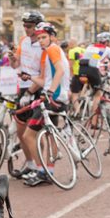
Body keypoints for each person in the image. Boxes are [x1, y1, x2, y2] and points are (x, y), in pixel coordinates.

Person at [22, 22, 71, 186]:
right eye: (39, 37)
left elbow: (60, 71)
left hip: (53, 98)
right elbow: (44, 80)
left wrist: (50, 92)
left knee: (28, 135)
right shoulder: (52, 51)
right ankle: (49, 171)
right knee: (50, 136)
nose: (41, 40)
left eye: (44, 37)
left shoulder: (52, 49)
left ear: (52, 37)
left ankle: (40, 170)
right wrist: (29, 78)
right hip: (59, 98)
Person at [8, 11, 45, 179]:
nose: (25, 29)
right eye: (24, 26)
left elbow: (44, 73)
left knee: (35, 131)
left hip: (36, 87)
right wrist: (12, 58)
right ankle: (30, 164)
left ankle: (42, 165)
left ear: (37, 27)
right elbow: (16, 64)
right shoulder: (23, 41)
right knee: (20, 131)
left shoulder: (44, 45)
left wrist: (31, 91)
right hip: (23, 87)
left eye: (29, 26)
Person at [72, 32, 110, 117]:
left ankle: (78, 110)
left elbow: (92, 58)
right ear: (106, 41)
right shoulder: (107, 49)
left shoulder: (90, 46)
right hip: (92, 70)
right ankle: (93, 118)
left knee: (85, 87)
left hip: (81, 69)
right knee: (98, 94)